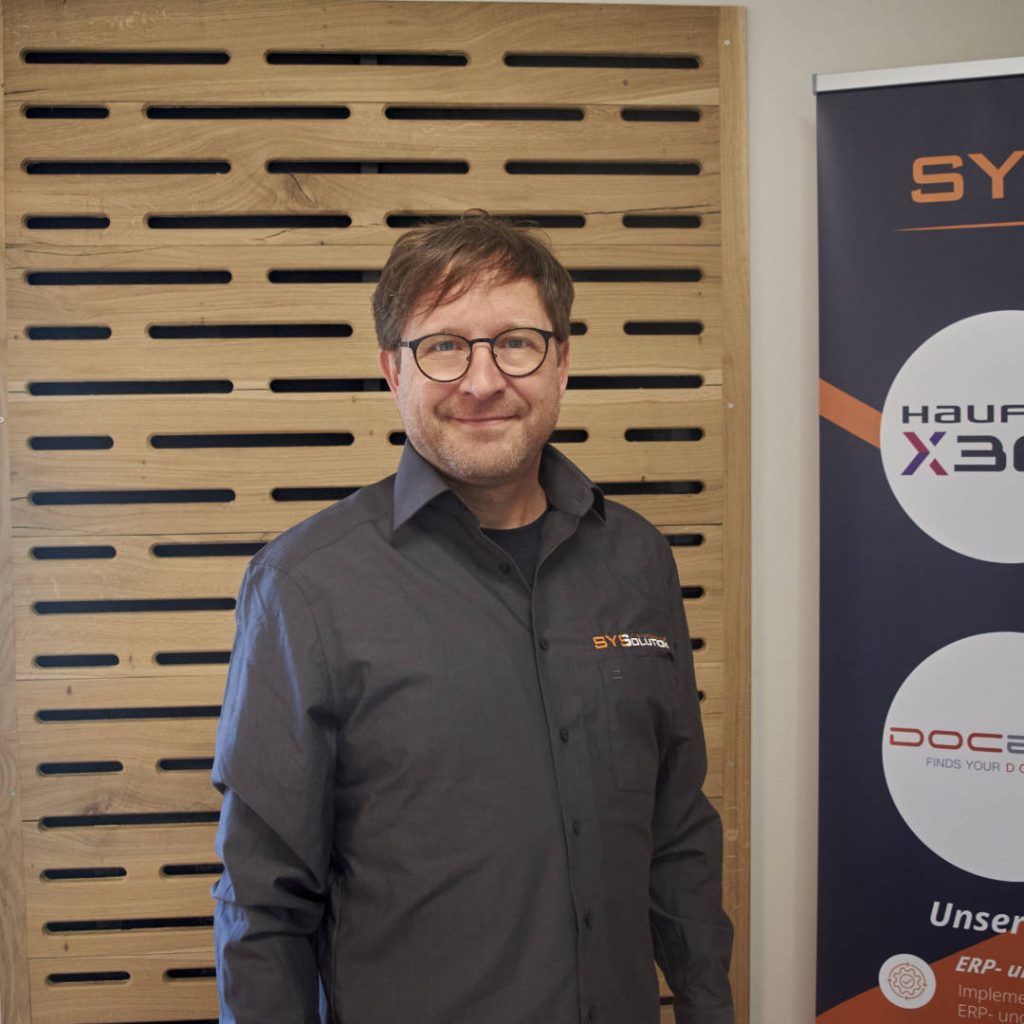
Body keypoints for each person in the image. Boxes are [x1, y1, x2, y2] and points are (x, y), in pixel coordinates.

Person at [212, 213, 734, 1024]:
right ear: (393, 370)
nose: (483, 381)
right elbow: (263, 903)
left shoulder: (636, 560)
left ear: (561, 362)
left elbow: (677, 830)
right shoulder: (305, 587)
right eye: (445, 346)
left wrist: (709, 1006)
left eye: (516, 343)